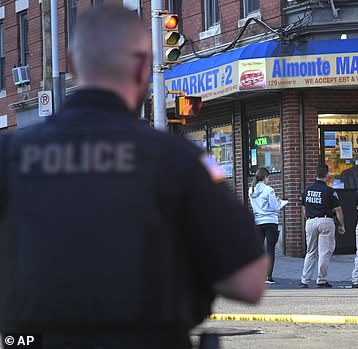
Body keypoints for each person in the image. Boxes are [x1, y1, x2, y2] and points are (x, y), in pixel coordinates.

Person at [0, 6, 267, 349]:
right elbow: (248, 283)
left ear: (72, 63)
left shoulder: (10, 156)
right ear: (144, 67)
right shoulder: (177, 161)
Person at [299, 164, 345, 288]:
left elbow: (303, 207)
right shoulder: (330, 191)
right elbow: (338, 210)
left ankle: (305, 280)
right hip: (325, 221)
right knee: (324, 252)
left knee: (310, 252)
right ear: (327, 175)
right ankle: (322, 279)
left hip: (310, 221)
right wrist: (341, 225)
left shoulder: (307, 190)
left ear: (315, 175)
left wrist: (308, 218)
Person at [249, 167, 282, 284]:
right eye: (268, 177)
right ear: (264, 177)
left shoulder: (251, 190)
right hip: (270, 221)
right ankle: (268, 277)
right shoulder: (269, 190)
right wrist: (279, 203)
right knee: (270, 250)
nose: (269, 180)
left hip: (258, 221)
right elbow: (274, 207)